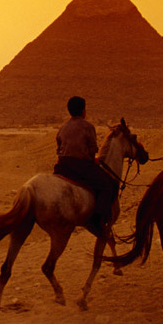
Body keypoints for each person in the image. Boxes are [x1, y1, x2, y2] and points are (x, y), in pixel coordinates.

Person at [53, 96, 119, 237]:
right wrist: (91, 159)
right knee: (106, 186)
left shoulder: (63, 127)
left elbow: (58, 147)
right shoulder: (87, 127)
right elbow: (93, 149)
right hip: (81, 165)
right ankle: (96, 220)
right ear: (83, 110)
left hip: (63, 164)